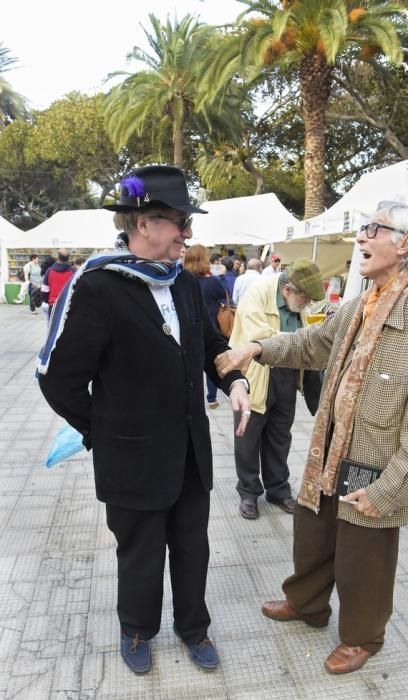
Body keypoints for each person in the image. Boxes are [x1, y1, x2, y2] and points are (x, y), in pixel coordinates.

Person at [215, 201, 408, 674]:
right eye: (362, 229)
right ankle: (307, 604)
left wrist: (392, 488)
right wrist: (257, 347)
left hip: (378, 460)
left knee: (363, 556)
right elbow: (313, 345)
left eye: (372, 230)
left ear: (404, 244)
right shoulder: (362, 303)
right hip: (333, 445)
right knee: (314, 533)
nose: (360, 238)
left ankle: (363, 635)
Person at [38, 165, 250, 676]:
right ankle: (136, 628)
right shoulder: (98, 287)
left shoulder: (183, 284)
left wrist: (234, 381)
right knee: (140, 552)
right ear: (145, 223)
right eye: (180, 221)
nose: (188, 233)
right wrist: (102, 430)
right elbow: (57, 379)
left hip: (189, 453)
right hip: (130, 457)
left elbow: (210, 347)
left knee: (193, 548)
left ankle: (193, 628)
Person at [228, 258, 325, 520]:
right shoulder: (258, 293)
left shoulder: (299, 301)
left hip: (287, 374)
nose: (307, 304)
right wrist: (300, 340)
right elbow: (256, 336)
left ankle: (278, 489)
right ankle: (248, 492)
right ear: (287, 290)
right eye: (305, 298)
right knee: (247, 437)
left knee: (280, 436)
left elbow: (307, 333)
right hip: (256, 373)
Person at [184, 244, 227, 409]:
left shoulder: (181, 281)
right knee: (211, 358)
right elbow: (224, 295)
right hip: (210, 327)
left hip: (188, 330)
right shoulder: (213, 281)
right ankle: (211, 397)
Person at [41, 248, 74, 317]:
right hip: (68, 306)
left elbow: (44, 291)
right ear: (68, 258)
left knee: (53, 327)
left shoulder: (49, 271)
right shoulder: (73, 272)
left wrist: (49, 301)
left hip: (53, 305)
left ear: (58, 257)